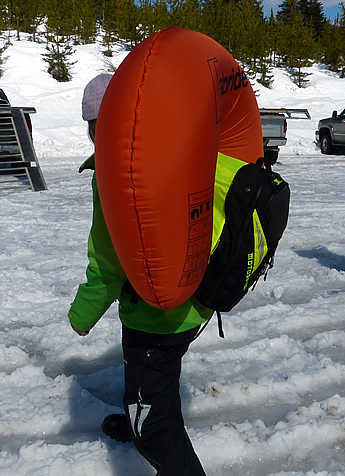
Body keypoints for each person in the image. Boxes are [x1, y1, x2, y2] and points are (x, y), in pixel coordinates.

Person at [69, 73, 213, 476]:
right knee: (154, 385)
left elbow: (109, 258)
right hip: (191, 300)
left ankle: (145, 430)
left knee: (157, 425)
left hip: (154, 316)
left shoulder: (114, 174)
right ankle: (139, 421)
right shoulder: (168, 152)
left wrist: (83, 314)